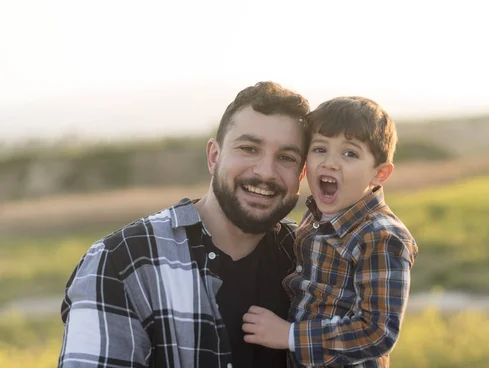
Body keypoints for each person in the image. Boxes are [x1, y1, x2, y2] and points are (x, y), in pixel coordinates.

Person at [58, 81, 311, 368]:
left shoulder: (314, 259)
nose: (266, 171)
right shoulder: (122, 262)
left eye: (286, 158)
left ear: (301, 174)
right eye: (249, 148)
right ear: (214, 157)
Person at [242, 96, 419, 367]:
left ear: (379, 174)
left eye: (349, 153)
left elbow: (377, 332)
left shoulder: (381, 237)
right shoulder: (315, 217)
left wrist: (289, 335)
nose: (330, 163)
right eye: (320, 149)